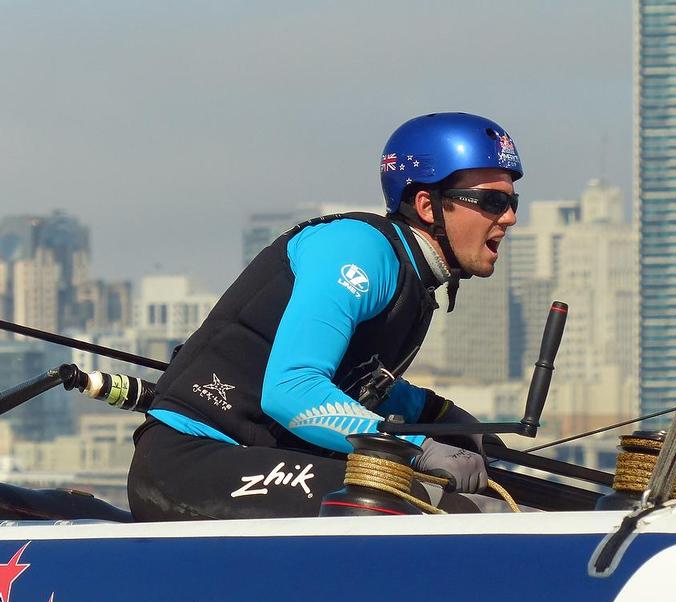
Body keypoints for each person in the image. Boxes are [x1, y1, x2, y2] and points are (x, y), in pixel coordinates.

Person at [127, 112, 523, 520]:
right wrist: (420, 447)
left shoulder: (412, 278)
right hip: (188, 463)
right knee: (440, 508)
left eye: (512, 202)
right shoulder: (359, 249)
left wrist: (442, 417)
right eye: (493, 201)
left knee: (488, 505)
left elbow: (360, 379)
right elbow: (292, 390)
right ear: (427, 205)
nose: (509, 217)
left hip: (249, 460)